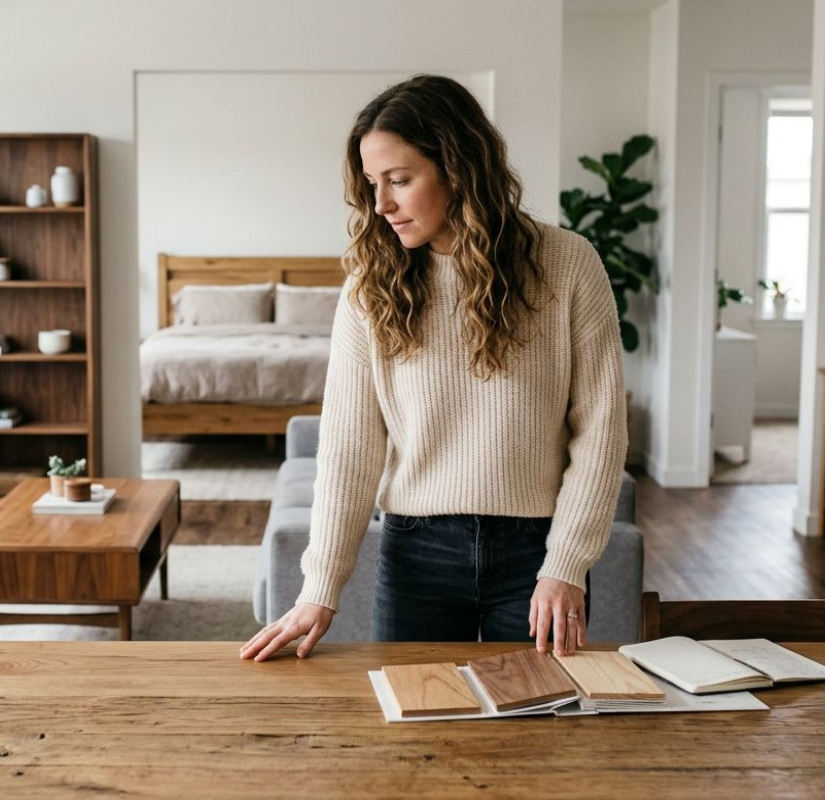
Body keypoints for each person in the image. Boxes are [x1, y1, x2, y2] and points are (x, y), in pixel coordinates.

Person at [239, 75, 626, 662]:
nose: (381, 204)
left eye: (399, 180)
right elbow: (349, 445)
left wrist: (567, 564)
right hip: (416, 551)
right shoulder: (370, 286)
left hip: (537, 552)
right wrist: (319, 587)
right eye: (372, 184)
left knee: (537, 735)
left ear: (458, 167)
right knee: (414, 739)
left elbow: (601, 430)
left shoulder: (569, 265)